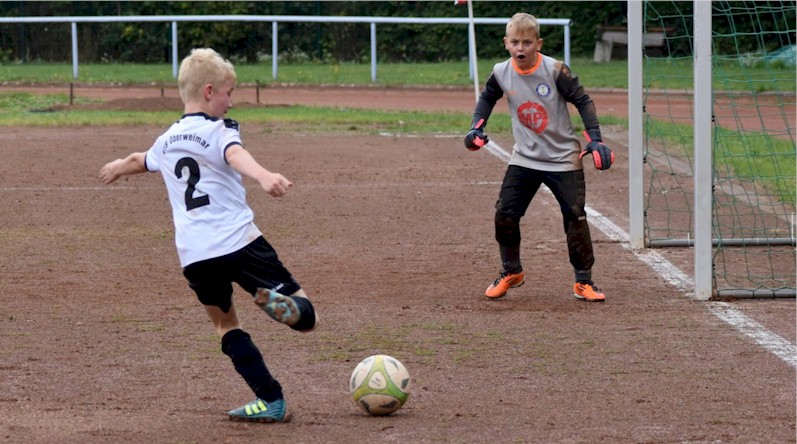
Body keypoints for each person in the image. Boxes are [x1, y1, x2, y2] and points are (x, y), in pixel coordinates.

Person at [98, 47, 318, 422]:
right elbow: (234, 155)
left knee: (226, 325)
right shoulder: (221, 130)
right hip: (240, 242)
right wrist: (264, 175)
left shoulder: (166, 140)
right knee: (307, 316)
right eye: (229, 93)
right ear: (210, 91)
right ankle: (281, 303)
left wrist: (117, 167)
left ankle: (271, 400)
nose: (231, 102)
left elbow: (139, 160)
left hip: (196, 256)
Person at [464, 13, 614, 302]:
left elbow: (582, 100)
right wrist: (476, 127)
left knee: (574, 216)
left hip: (563, 158)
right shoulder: (501, 71)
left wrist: (594, 138)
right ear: (506, 43)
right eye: (515, 42)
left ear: (538, 43)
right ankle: (512, 271)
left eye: (527, 42)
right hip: (525, 159)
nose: (521, 48)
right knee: (505, 214)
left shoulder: (555, 70)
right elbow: (487, 97)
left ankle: (584, 282)